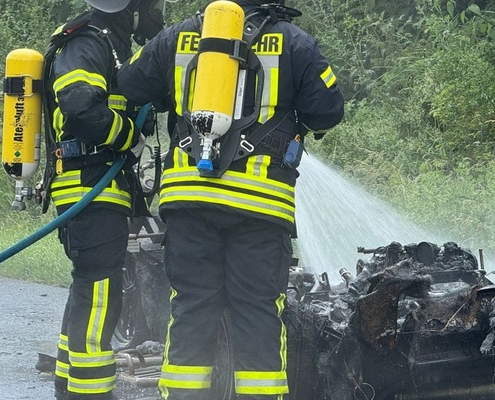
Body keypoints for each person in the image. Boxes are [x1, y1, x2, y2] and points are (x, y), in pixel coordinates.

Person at [116, 0, 345, 398]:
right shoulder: (294, 42)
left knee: (190, 309)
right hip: (261, 205)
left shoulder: (180, 35)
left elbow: (130, 84)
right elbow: (328, 111)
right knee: (257, 314)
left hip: (189, 199)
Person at [40, 0, 164, 399]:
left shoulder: (107, 42)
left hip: (96, 185)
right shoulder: (88, 42)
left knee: (87, 287)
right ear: (128, 7)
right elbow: (78, 107)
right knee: (99, 294)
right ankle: (88, 393)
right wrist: (129, 135)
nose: (154, 11)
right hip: (88, 185)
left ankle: (67, 381)